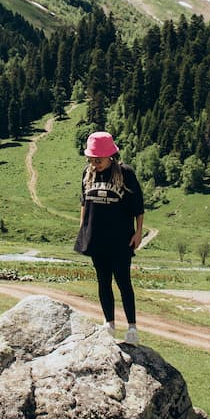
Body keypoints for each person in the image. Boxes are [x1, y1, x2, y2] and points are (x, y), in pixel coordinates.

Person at [73, 131, 145, 343]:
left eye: (99, 159)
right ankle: (108, 323)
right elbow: (84, 204)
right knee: (103, 281)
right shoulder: (88, 173)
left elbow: (138, 206)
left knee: (124, 282)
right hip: (96, 238)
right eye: (92, 159)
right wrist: (82, 230)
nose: (95, 163)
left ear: (110, 156)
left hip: (121, 239)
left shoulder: (125, 173)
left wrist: (138, 232)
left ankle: (132, 328)